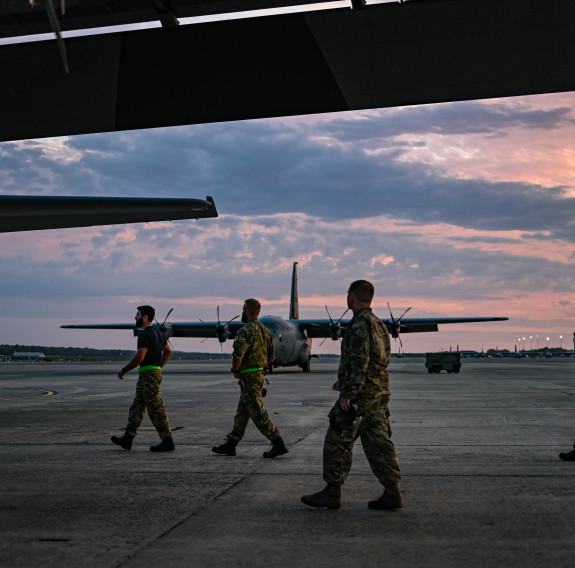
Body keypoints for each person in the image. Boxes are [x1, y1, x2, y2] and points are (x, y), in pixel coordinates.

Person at [301, 280, 402, 510]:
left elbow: (359, 360)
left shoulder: (358, 325)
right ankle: (392, 491)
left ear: (351, 299)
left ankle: (332, 492)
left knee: (337, 438)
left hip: (360, 395)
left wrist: (349, 392)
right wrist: (345, 378)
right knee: (378, 442)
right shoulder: (379, 324)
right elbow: (380, 359)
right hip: (378, 393)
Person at [212, 298, 288, 459]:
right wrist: (258, 365)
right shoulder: (266, 332)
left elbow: (238, 354)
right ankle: (231, 443)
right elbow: (271, 357)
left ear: (247, 312)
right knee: (243, 411)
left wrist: (235, 369)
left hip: (249, 377)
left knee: (257, 412)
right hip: (258, 374)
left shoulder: (245, 331)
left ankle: (278, 442)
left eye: (243, 309)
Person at [111, 305, 175, 452]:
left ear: (145, 317)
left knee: (156, 408)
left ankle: (167, 440)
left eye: (138, 314)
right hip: (150, 373)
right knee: (138, 406)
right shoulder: (158, 333)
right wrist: (158, 366)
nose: (136, 317)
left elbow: (140, 357)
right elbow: (168, 352)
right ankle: (128, 438)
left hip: (148, 375)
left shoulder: (145, 334)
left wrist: (125, 369)